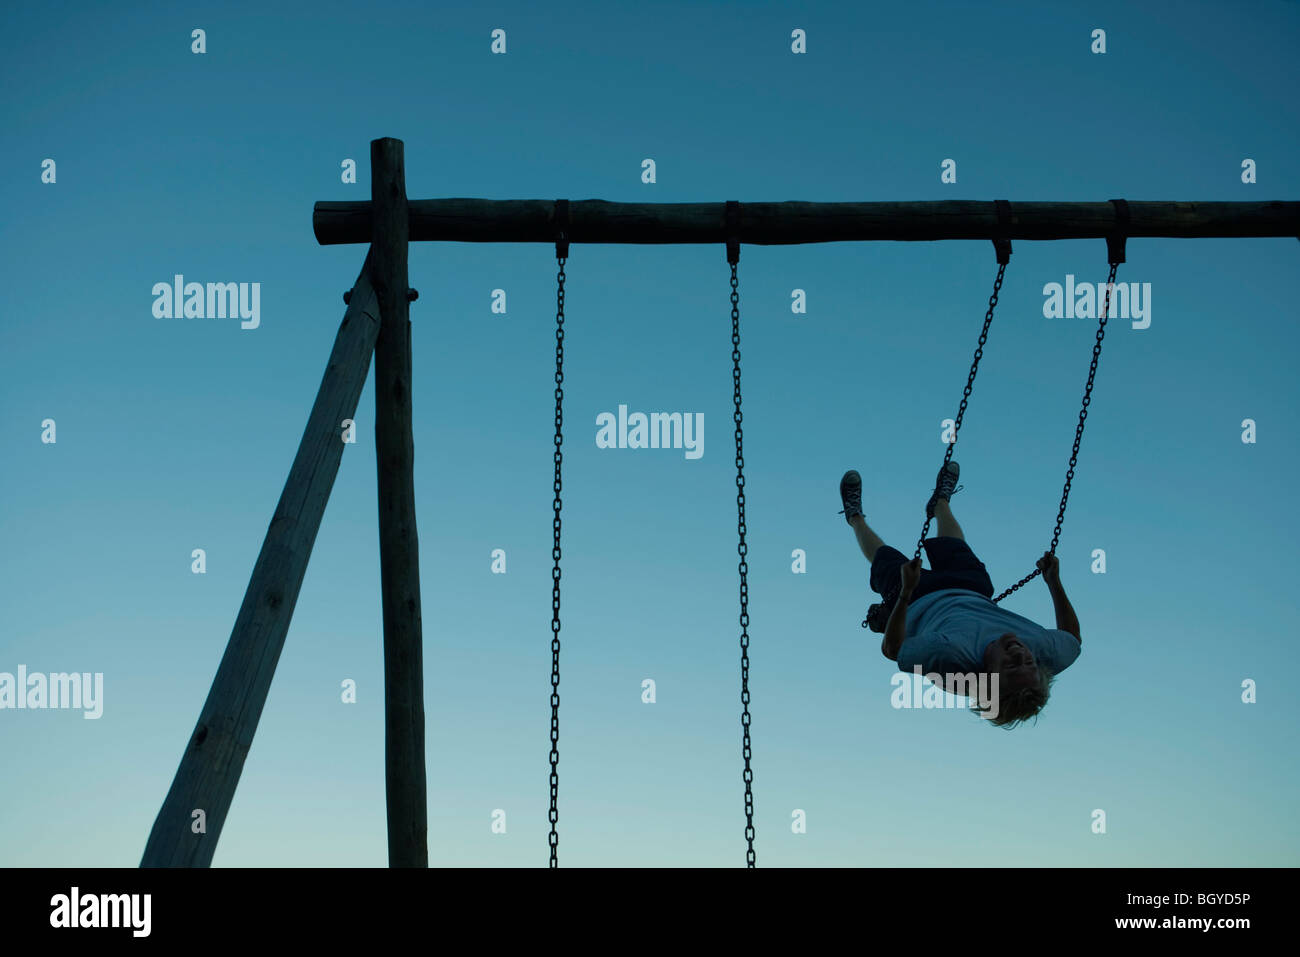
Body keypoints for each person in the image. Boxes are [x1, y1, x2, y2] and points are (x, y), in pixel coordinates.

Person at [839, 463, 1082, 728]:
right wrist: (1054, 583)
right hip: (972, 590)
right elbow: (1073, 638)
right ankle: (940, 502)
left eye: (1011, 666)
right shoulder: (1044, 654)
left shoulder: (950, 658)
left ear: (987, 675)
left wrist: (906, 593)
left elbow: (892, 650)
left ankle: (854, 517)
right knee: (956, 547)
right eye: (1029, 663)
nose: (1019, 653)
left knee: (885, 559)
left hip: (920, 601)